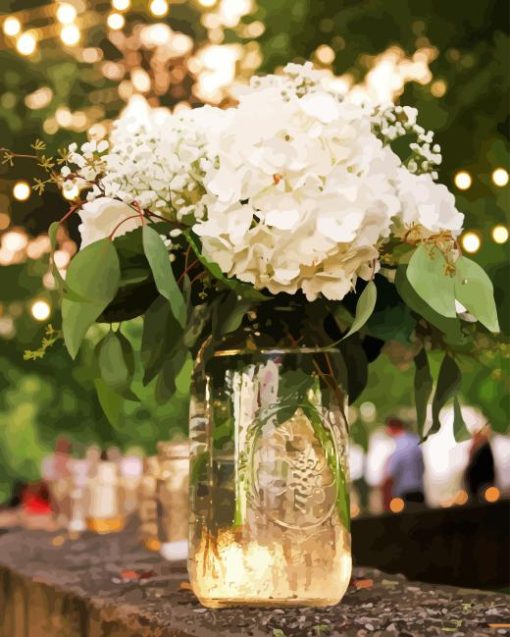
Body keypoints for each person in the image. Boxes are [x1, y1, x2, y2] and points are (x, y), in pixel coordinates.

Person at [384, 418, 425, 505]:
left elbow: (392, 471)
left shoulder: (398, 445)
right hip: (419, 488)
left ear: (391, 428)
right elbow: (422, 466)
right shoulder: (415, 440)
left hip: (405, 491)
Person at [465, 425, 495, 498]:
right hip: (477, 489)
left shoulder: (484, 449)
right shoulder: (476, 449)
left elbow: (486, 469)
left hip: (483, 488)